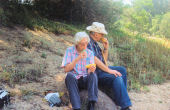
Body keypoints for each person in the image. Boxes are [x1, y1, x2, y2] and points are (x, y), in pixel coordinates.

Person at [86, 22, 132, 110]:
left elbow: (104, 61)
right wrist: (109, 70)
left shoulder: (95, 43)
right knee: (117, 76)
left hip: (100, 68)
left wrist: (106, 48)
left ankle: (121, 98)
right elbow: (94, 59)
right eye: (101, 34)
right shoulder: (88, 42)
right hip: (94, 72)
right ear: (95, 34)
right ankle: (125, 106)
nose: (103, 36)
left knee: (122, 70)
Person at [61, 32, 98, 110]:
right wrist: (77, 58)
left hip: (85, 79)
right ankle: (76, 107)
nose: (85, 46)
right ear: (77, 43)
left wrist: (91, 69)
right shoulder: (69, 51)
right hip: (75, 79)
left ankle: (92, 103)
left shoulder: (90, 53)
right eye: (82, 44)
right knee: (69, 76)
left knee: (93, 75)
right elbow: (66, 69)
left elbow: (89, 72)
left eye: (86, 44)